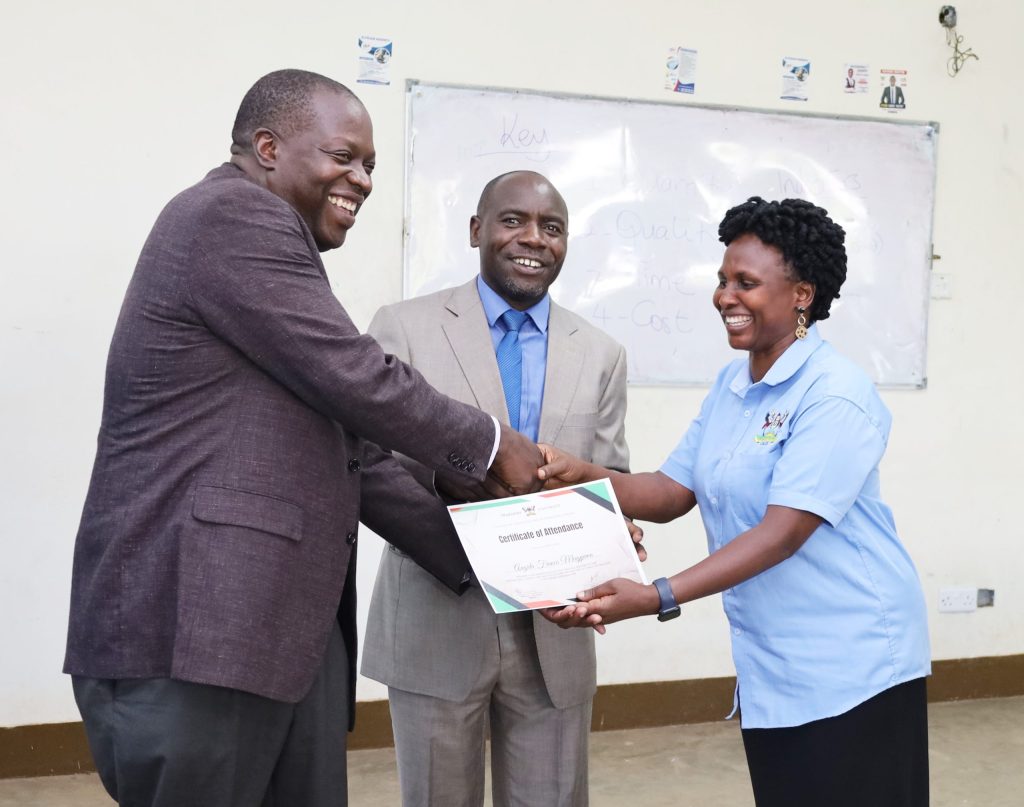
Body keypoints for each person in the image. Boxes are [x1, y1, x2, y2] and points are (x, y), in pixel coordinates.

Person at [63, 69, 544, 807]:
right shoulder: (228, 217)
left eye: (372, 165)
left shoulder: (275, 256)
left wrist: (524, 555)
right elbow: (360, 377)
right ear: (266, 147)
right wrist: (491, 444)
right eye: (343, 156)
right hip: (197, 632)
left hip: (276, 639)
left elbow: (355, 450)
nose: (362, 179)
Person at [540, 197, 931, 807]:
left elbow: (782, 533)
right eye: (722, 280)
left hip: (852, 664)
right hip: (774, 663)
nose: (725, 296)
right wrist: (580, 476)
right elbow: (673, 491)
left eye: (746, 283)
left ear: (802, 294)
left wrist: (657, 595)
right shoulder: (734, 384)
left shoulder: (836, 394)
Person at [361, 170, 630, 807]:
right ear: (478, 229)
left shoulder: (601, 353)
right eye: (513, 220)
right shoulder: (403, 328)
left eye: (552, 227)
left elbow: (613, 475)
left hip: (554, 628)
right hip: (437, 612)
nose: (532, 238)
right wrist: (466, 476)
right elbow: (367, 457)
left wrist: (612, 534)